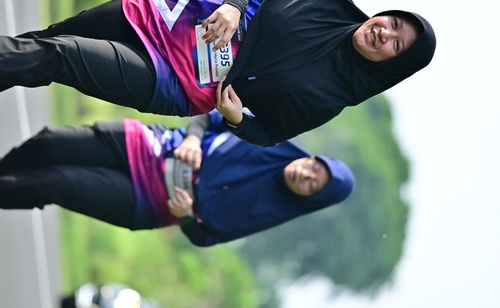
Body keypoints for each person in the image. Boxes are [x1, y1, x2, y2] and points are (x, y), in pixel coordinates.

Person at [0, 0, 436, 145]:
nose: (385, 33)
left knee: (60, 55)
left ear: (391, 66)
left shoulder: (329, 99)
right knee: (44, 42)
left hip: (171, 82)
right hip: (161, 14)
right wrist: (233, 5)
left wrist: (236, 118)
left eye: (396, 45)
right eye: (394, 23)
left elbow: (268, 134)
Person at [0, 110, 355, 244]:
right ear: (312, 158)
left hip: (149, 202)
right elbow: (210, 116)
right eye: (314, 167)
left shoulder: (266, 212)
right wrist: (193, 140)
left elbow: (206, 237)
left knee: (56, 183)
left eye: (312, 185)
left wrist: (186, 216)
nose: (304, 174)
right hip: (150, 145)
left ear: (310, 199)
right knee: (49, 143)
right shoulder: (267, 137)